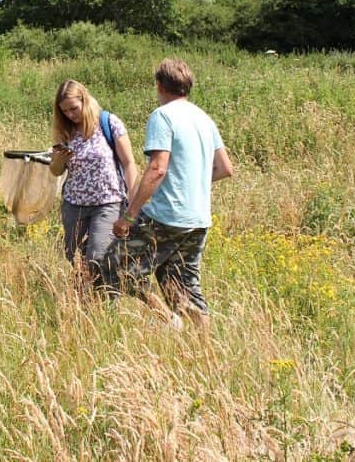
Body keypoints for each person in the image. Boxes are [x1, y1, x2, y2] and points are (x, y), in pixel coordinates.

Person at [105, 58, 234, 330]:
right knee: (184, 284)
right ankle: (205, 350)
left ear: (159, 85)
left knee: (117, 265)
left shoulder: (163, 116)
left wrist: (129, 217)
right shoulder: (204, 118)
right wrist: (192, 181)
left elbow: (157, 169)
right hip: (198, 218)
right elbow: (224, 168)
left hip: (167, 216)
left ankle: (169, 320)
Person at [50, 79, 139, 291]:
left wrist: (134, 202)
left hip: (108, 202)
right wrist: (60, 157)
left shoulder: (109, 123)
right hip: (74, 204)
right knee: (75, 257)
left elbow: (128, 163)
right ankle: (85, 303)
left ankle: (108, 299)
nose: (71, 114)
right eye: (65, 111)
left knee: (98, 255)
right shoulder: (65, 131)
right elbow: (55, 171)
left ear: (85, 99)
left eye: (74, 108)